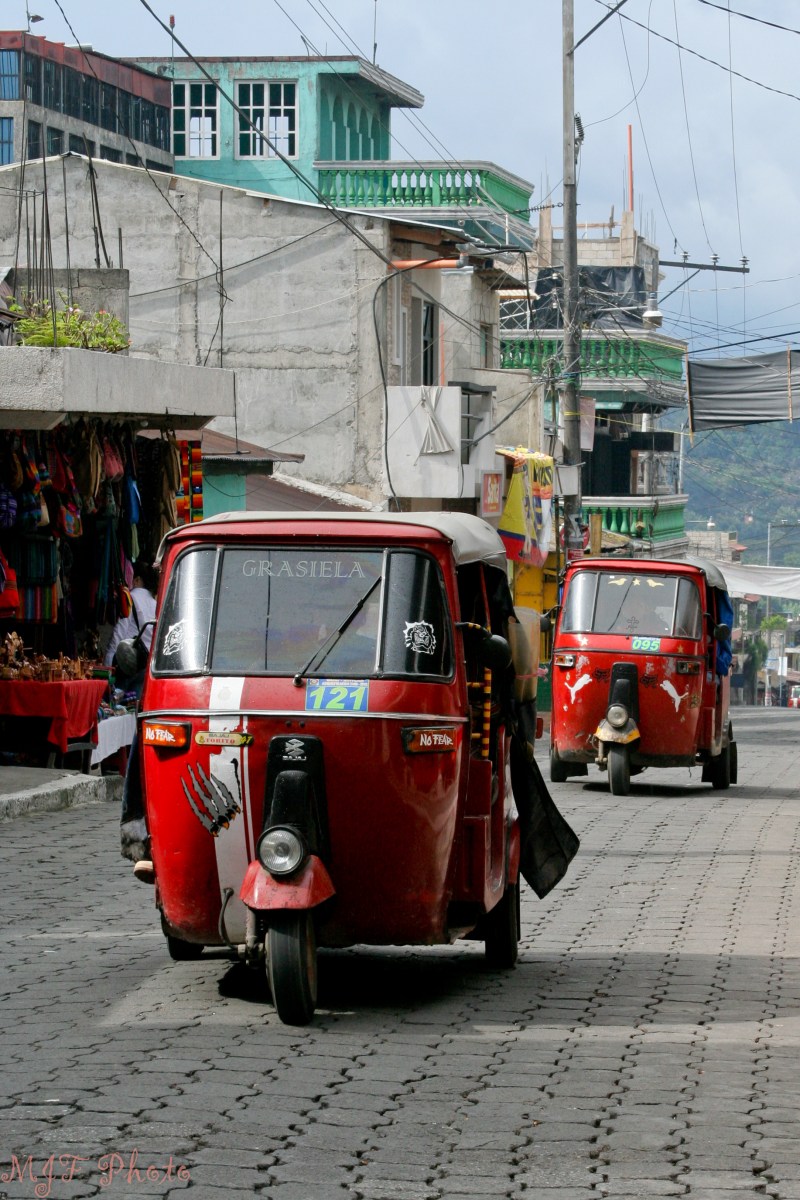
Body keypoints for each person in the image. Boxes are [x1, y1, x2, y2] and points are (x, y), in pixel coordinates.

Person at [105, 560, 158, 695]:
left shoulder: (130, 598)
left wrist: (108, 663)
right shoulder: (156, 604)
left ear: (137, 580)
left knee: (118, 703)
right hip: (145, 665)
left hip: (126, 662)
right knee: (134, 703)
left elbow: (119, 633)